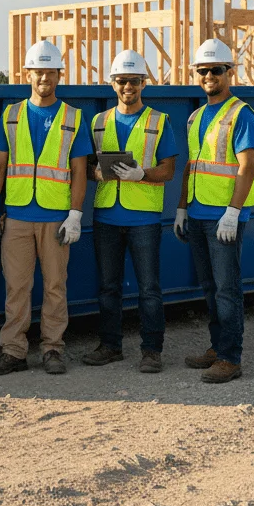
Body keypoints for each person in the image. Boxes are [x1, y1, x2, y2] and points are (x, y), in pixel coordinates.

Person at [0, 40, 92, 375]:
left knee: (56, 287)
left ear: (60, 75)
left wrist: (75, 214)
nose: (44, 77)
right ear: (27, 73)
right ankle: (14, 351)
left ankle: (53, 350)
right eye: (38, 71)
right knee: (16, 288)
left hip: (56, 219)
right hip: (16, 217)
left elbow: (79, 171)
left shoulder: (73, 118)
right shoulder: (11, 115)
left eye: (50, 72)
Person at [79, 50, 178, 373]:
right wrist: (95, 173)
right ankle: (110, 346)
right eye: (122, 81)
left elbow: (169, 170)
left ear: (143, 84)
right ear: (112, 83)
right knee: (108, 287)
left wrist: (142, 174)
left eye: (134, 81)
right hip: (106, 215)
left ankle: (152, 351)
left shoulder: (159, 121)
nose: (127, 87)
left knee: (149, 289)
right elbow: (88, 164)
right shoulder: (98, 122)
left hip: (144, 218)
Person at [173, 39, 254, 384]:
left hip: (223, 218)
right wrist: (181, 207)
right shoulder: (196, 116)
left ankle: (230, 358)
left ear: (229, 73)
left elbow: (248, 165)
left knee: (227, 288)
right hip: (198, 214)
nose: (209, 75)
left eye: (216, 70)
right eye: (203, 70)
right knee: (210, 286)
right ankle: (217, 346)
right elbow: (192, 166)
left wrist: (233, 212)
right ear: (196, 74)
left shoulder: (241, 114)